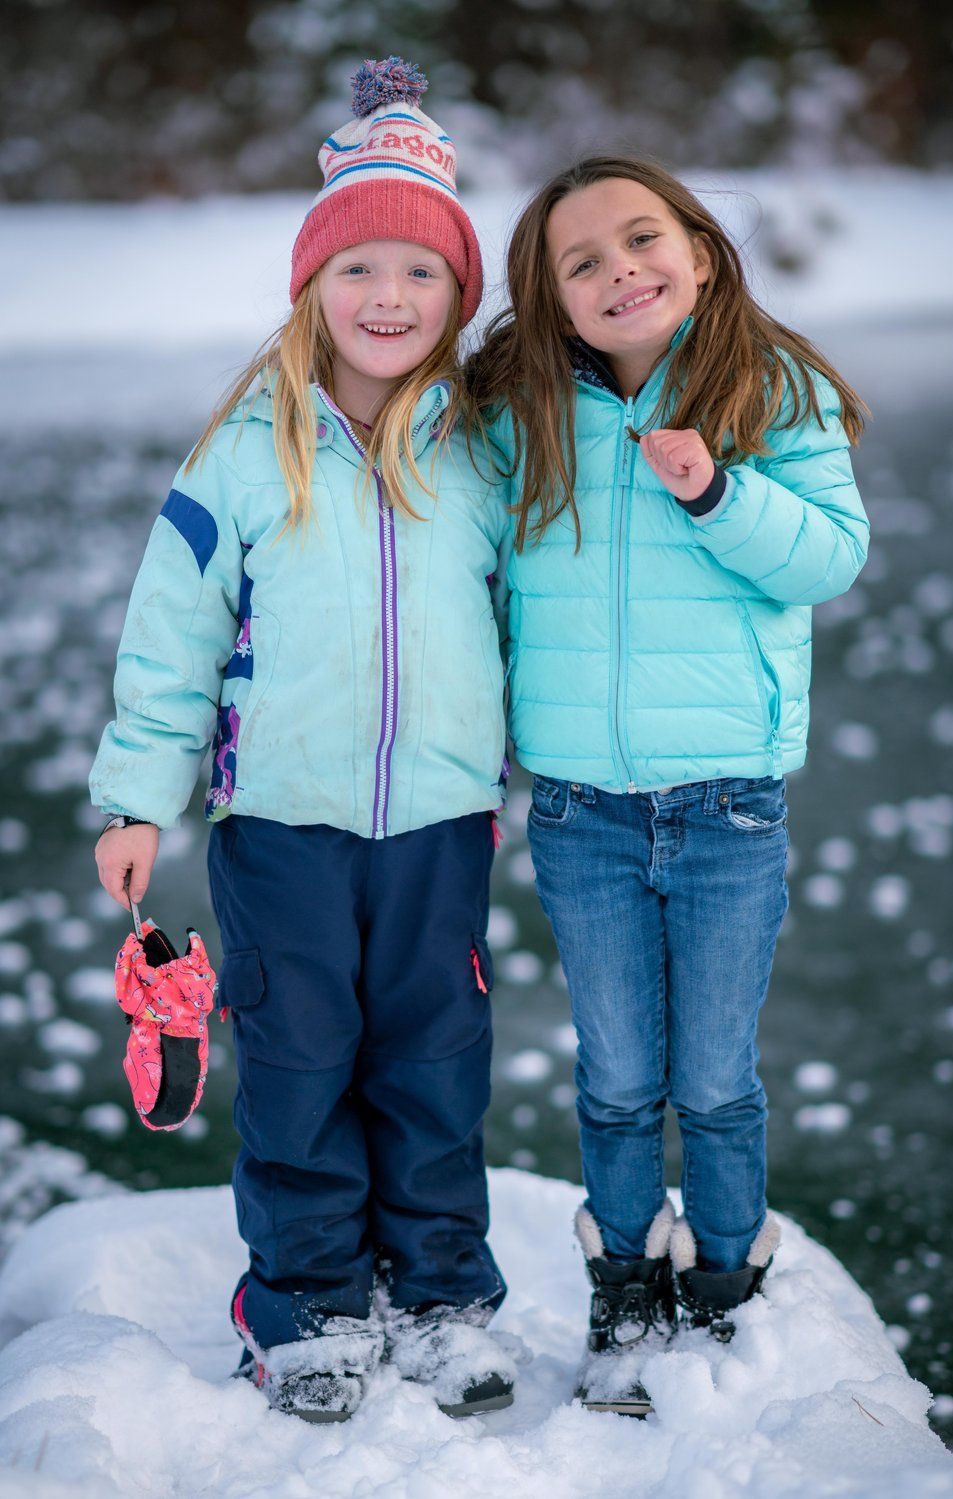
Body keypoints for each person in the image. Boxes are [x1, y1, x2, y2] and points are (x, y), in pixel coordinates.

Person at [91, 57, 515, 1424]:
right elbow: (170, 637)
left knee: (436, 1058)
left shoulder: (486, 450)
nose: (388, 298)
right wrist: (137, 795)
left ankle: (442, 1287)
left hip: (443, 821)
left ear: (458, 295)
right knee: (299, 1057)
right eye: (358, 271)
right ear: (311, 287)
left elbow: (542, 618)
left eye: (421, 274)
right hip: (277, 821)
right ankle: (306, 1297)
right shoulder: (243, 451)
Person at [468, 155, 869, 1415]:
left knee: (714, 1078)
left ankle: (729, 1277)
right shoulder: (523, 408)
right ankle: (627, 1283)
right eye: (579, 262)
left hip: (726, 803)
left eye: (641, 240)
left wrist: (714, 489)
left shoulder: (768, 383)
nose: (617, 271)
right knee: (618, 1076)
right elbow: (468, 564)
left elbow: (831, 556)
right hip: (581, 807)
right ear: (552, 300)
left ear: (697, 248)